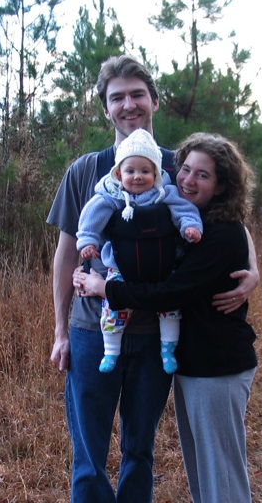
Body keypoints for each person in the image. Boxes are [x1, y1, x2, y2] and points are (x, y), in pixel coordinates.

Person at [47, 54, 259, 503]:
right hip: (92, 329)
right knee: (88, 456)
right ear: (104, 107)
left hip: (156, 333)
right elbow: (65, 254)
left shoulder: (175, 168)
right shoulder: (84, 171)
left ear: (155, 102)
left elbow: (228, 220)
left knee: (139, 452)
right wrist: (61, 331)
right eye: (117, 97)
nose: (128, 105)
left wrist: (253, 269)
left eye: (137, 95)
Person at [76, 127, 202, 374]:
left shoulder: (164, 193)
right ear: (118, 172)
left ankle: (168, 349)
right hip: (121, 268)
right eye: (130, 170)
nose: (137, 176)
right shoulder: (111, 195)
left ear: (155, 172)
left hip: (162, 269)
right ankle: (111, 351)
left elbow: (184, 210)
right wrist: (87, 241)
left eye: (145, 171)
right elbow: (91, 217)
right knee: (113, 306)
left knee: (170, 308)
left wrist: (190, 226)